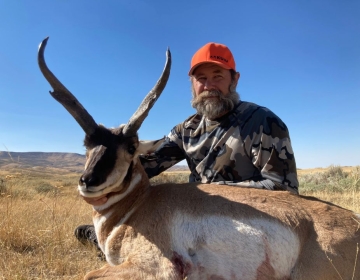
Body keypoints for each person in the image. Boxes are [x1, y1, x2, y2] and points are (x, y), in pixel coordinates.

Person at [75, 42, 299, 247]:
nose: (208, 86)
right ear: (192, 84)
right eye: (201, 78)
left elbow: (283, 190)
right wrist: (100, 180)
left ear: (235, 79)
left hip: (247, 222)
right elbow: (142, 165)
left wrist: (204, 194)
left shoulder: (262, 122)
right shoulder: (186, 130)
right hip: (194, 218)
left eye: (217, 76)